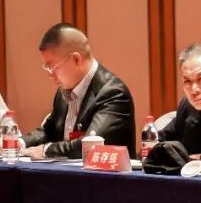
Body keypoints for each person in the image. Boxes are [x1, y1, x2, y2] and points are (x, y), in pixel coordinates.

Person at [21, 24, 135, 158]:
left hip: (104, 172)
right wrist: (20, 143)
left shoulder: (113, 93)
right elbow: (48, 131)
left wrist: (46, 150)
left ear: (76, 59)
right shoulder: (63, 90)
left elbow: (90, 146)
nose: (50, 75)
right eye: (46, 68)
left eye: (52, 67)